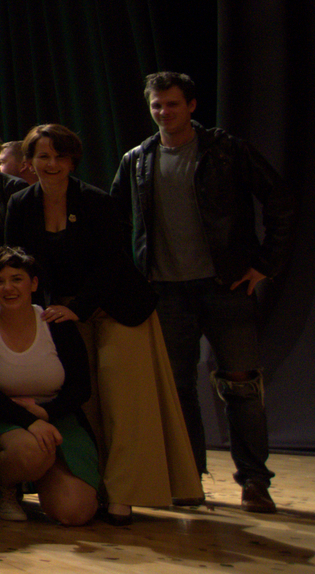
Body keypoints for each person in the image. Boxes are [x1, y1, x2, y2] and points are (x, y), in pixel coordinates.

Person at [112, 71, 294, 513]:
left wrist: (264, 264)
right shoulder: (137, 159)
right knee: (177, 389)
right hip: (166, 290)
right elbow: (116, 220)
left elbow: (281, 200)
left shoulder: (226, 149)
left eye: (172, 104)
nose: (163, 112)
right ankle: (187, 478)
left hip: (224, 285)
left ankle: (254, 481)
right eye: (157, 105)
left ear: (191, 106)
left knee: (242, 384)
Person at [3, 124, 198, 523]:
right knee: (86, 403)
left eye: (59, 156)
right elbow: (17, 262)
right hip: (63, 312)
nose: (51, 164)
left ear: (73, 161)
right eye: (43, 156)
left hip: (117, 307)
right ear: (29, 162)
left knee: (124, 403)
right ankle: (97, 487)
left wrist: (80, 308)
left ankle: (124, 494)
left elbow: (113, 264)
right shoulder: (20, 204)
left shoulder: (97, 201)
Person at [0, 248, 101, 526]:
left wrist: (45, 414)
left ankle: (44, 475)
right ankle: (4, 490)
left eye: (17, 279)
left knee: (76, 512)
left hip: (57, 416)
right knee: (32, 451)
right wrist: (30, 421)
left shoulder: (57, 324)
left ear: (33, 283)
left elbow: (81, 388)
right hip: (3, 418)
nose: (8, 288)